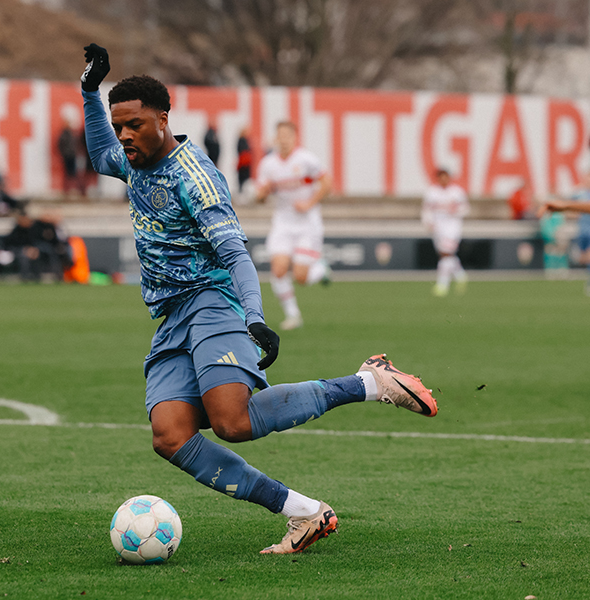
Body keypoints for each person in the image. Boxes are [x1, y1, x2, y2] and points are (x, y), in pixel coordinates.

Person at [80, 43, 438, 555]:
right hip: (172, 315)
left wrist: (254, 317)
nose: (124, 136)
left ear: (163, 119)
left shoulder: (195, 177)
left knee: (233, 422)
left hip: (212, 301)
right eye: (119, 127)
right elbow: (100, 155)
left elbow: (235, 253)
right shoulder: (133, 160)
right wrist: (90, 92)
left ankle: (370, 383)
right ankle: (305, 512)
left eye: (134, 125)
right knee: (170, 435)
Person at [255, 121, 332, 330]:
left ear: (295, 137)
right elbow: (260, 198)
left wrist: (309, 203)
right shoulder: (268, 164)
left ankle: (320, 270)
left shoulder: (306, 160)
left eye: (287, 135)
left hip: (307, 223)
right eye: (280, 135)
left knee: (301, 277)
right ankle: (293, 315)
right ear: (275, 138)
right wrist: (263, 193)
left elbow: (327, 183)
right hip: (282, 223)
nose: (283, 139)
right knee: (278, 269)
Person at [421, 168, 469, 296]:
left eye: (445, 177)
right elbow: (426, 210)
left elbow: (465, 209)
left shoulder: (457, 192)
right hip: (438, 228)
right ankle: (461, 276)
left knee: (446, 254)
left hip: (452, 228)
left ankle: (442, 285)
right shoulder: (432, 192)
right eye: (441, 177)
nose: (443, 180)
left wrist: (455, 211)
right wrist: (427, 222)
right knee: (447, 255)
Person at [58, 119, 86, 197]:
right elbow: (61, 145)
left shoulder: (69, 134)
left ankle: (71, 190)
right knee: (70, 173)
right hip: (69, 156)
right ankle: (68, 190)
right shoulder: (65, 134)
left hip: (71, 155)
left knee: (72, 173)